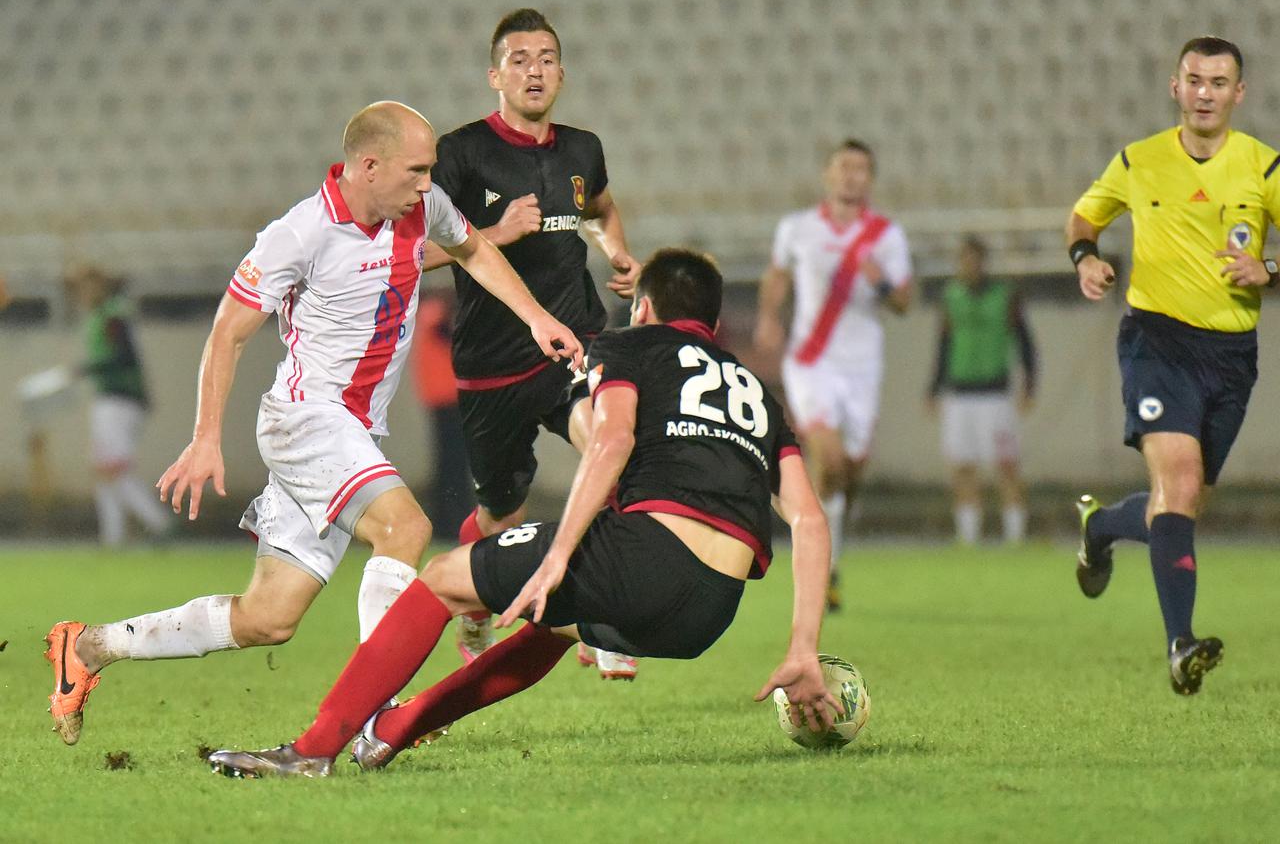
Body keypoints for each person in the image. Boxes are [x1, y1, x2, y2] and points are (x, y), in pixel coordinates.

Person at [42, 101, 583, 746]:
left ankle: (91, 646)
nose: (427, 182)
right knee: (406, 527)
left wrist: (535, 317)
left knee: (268, 619)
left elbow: (472, 250)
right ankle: (378, 714)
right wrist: (206, 436)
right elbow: (227, 330)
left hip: (350, 433)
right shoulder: (298, 234)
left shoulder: (418, 205)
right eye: (416, 169)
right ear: (369, 164)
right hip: (307, 422)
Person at [206, 248, 840, 778]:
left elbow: (612, 441)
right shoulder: (761, 396)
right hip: (709, 610)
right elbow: (809, 520)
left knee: (442, 581)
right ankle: (395, 727)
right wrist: (803, 646)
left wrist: (561, 551)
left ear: (644, 306)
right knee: (555, 628)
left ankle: (311, 752)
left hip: (648, 554)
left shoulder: (632, 346)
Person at [422, 8, 641, 677]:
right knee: (500, 513)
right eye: (519, 59)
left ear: (563, 74)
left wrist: (618, 251)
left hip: (577, 338)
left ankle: (603, 624)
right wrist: (494, 235)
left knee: (613, 453)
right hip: (492, 363)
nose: (535, 70)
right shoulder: (460, 154)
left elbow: (600, 207)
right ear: (495, 75)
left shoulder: (582, 148)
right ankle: (474, 598)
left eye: (546, 58)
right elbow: (410, 251)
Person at [1068, 36, 1280, 695]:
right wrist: (1087, 259)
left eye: (1219, 82)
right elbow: (1085, 215)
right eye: (1194, 80)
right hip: (1155, 340)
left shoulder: (1265, 168)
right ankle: (1179, 644)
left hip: (1230, 355)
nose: (1205, 93)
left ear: (1238, 93)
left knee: (1182, 501)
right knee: (1180, 481)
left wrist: (1267, 267)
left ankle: (1101, 527)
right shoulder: (1139, 161)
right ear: (1175, 85)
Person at [754, 139, 913, 611]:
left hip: (863, 366)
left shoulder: (886, 236)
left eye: (861, 169)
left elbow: (904, 301)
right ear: (827, 174)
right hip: (811, 362)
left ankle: (833, 557)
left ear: (871, 178)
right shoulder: (797, 228)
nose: (851, 176)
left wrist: (879, 280)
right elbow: (778, 275)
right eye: (844, 167)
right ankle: (820, 566)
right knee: (831, 459)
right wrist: (767, 315)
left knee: (851, 472)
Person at [926, 236, 1037, 545]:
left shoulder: (1005, 295)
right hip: (959, 393)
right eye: (964, 260)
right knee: (962, 465)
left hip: (995, 393)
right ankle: (968, 537)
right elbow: (944, 345)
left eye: (974, 260)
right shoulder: (951, 297)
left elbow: (1025, 341)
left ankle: (1015, 536)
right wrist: (933, 388)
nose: (969, 266)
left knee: (1006, 464)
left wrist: (1029, 384)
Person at [68, 266, 172, 546]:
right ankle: (113, 537)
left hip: (118, 400)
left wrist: (88, 369)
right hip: (113, 399)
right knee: (104, 471)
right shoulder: (104, 316)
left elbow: (124, 356)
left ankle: (158, 524)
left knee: (112, 469)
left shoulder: (112, 316)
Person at [410, 286, 475, 538]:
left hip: (442, 399)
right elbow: (450, 333)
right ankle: (452, 521)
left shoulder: (428, 313)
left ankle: (449, 520)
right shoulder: (434, 314)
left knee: (450, 462)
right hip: (448, 399)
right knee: (454, 463)